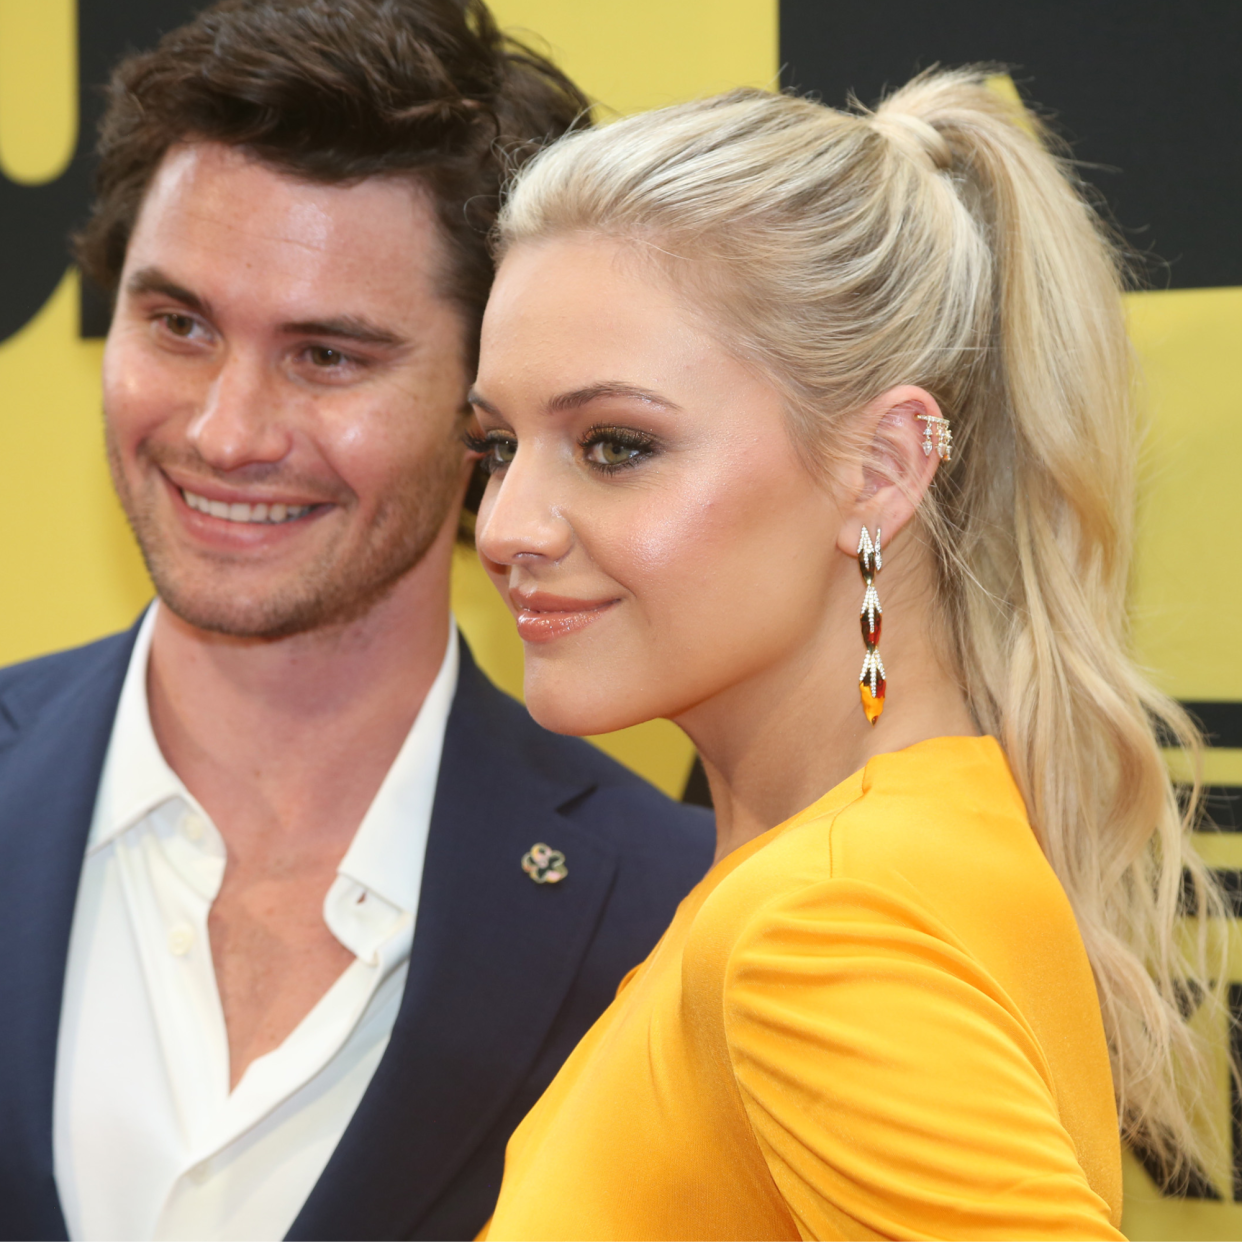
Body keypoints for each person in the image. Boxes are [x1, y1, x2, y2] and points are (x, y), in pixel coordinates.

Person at [466, 68, 1228, 1239]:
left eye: (614, 445)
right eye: (500, 446)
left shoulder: (826, 922)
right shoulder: (900, 849)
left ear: (881, 469)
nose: (506, 527)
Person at [0, 3, 714, 1240]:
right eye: (178, 324)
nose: (226, 432)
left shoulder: (672, 921)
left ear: (489, 408)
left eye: (327, 356)